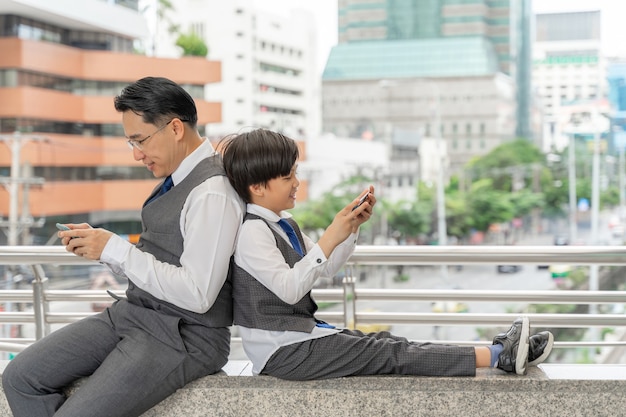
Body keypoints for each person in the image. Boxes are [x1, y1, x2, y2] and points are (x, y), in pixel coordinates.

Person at [220, 128, 554, 381]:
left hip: (296, 339)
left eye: (295, 173)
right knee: (392, 352)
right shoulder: (252, 232)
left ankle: (497, 353)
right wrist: (328, 238)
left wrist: (349, 229)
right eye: (288, 176)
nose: (297, 182)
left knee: (387, 343)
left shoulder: (282, 224)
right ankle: (499, 355)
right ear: (258, 187)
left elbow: (327, 268)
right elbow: (291, 288)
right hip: (281, 352)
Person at [2, 77, 244, 417]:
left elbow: (199, 295)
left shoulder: (213, 192)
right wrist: (102, 248)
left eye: (140, 140)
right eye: (130, 142)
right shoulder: (177, 179)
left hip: (185, 335)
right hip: (135, 314)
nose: (136, 154)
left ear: (175, 128)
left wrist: (116, 250)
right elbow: (160, 257)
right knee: (19, 377)